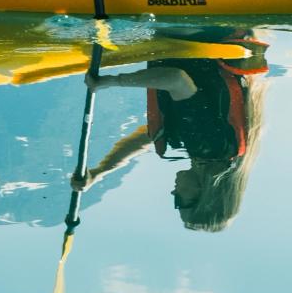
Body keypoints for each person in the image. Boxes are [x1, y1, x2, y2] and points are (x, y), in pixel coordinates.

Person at [72, 28, 269, 232]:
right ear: (204, 195)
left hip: (211, 37)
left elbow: (148, 137)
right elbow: (176, 79)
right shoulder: (207, 147)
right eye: (180, 203)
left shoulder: (222, 152)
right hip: (194, 36)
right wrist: (110, 81)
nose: (173, 195)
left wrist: (99, 172)